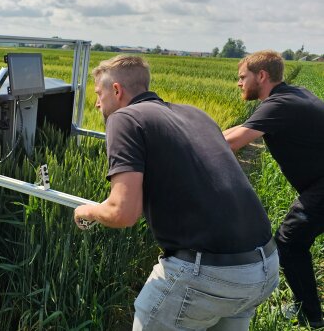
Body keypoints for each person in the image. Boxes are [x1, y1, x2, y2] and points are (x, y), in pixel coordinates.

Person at [74, 55, 279, 330]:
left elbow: (122, 213)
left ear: (116, 90)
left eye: (99, 94)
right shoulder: (196, 113)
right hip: (263, 267)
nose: (97, 103)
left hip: (208, 275)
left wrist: (86, 210)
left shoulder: (124, 119)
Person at [223, 50, 324, 327]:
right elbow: (239, 129)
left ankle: (311, 316)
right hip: (318, 186)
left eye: (243, 77)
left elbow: (231, 142)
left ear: (262, 76)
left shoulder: (280, 105)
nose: (239, 83)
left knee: (290, 243)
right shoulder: (293, 95)